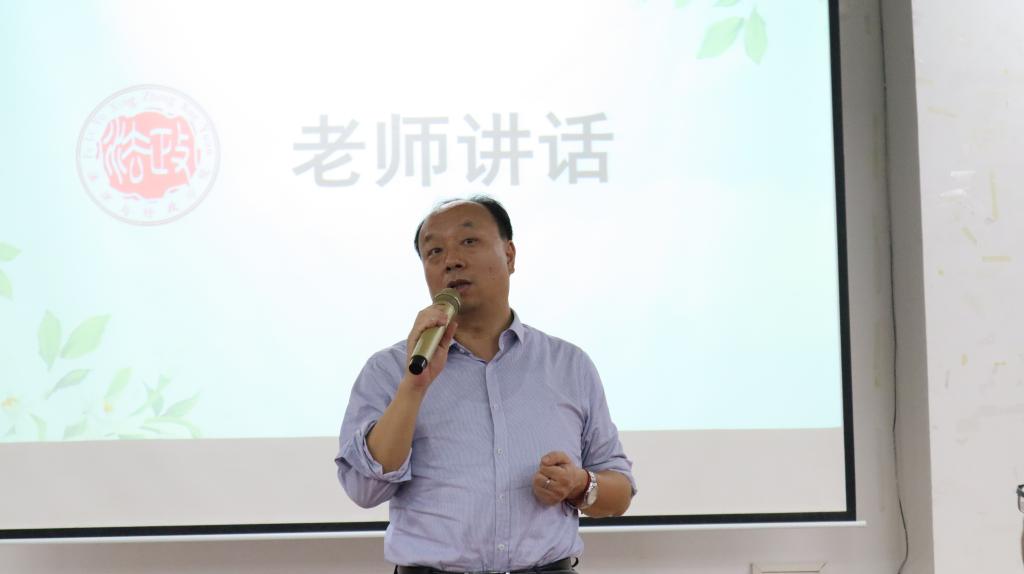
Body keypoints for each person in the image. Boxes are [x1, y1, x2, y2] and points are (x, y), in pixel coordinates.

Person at [335, 196, 636, 574]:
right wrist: (413, 387)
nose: (451, 260)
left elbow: (619, 492)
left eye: (469, 241)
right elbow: (364, 490)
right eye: (434, 251)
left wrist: (579, 484)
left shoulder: (568, 365)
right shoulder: (390, 370)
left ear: (509, 255)